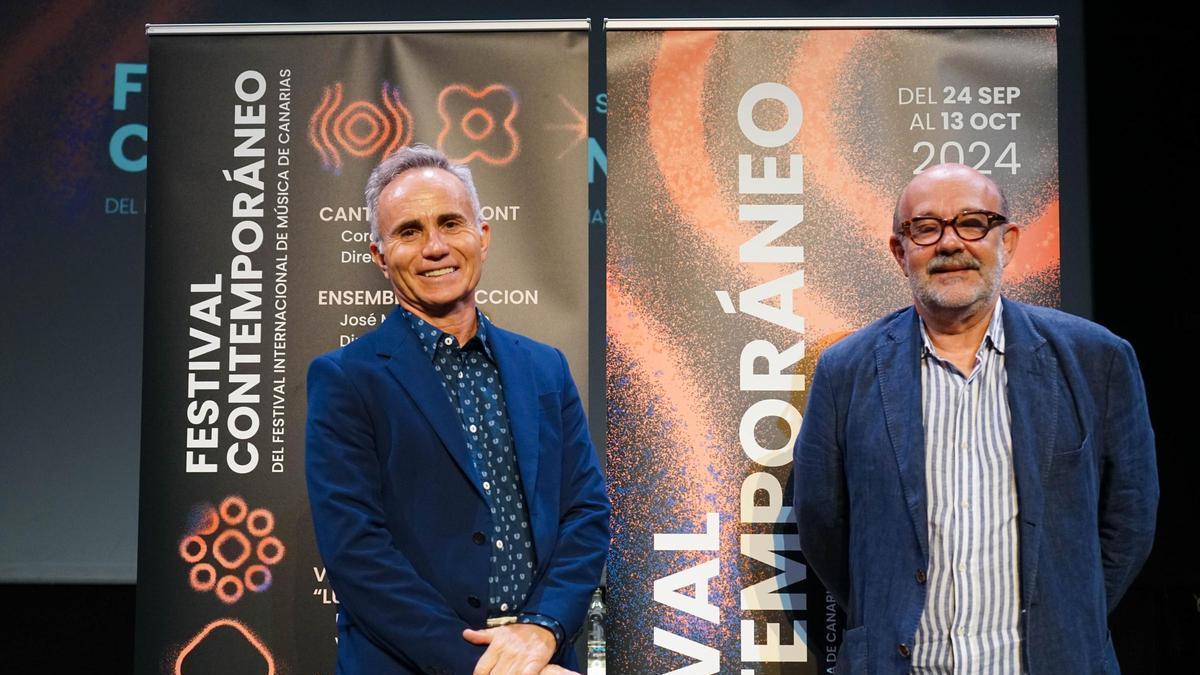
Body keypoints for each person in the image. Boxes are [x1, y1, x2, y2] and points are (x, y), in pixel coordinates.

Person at [793, 163, 1158, 673]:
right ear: (900, 251)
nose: (950, 243)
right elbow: (822, 523)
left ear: (1007, 241)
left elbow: (1129, 520)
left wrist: (1067, 614)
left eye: (972, 223)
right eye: (926, 228)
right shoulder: (845, 370)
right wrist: (888, 609)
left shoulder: (1098, 359)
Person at [306, 144, 609, 675]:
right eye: (409, 231)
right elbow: (357, 553)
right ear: (380, 255)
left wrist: (543, 629)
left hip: (543, 659)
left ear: (482, 237)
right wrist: (488, 668)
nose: (435, 247)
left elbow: (584, 513)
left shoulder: (545, 368)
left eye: (451, 223)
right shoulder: (346, 379)